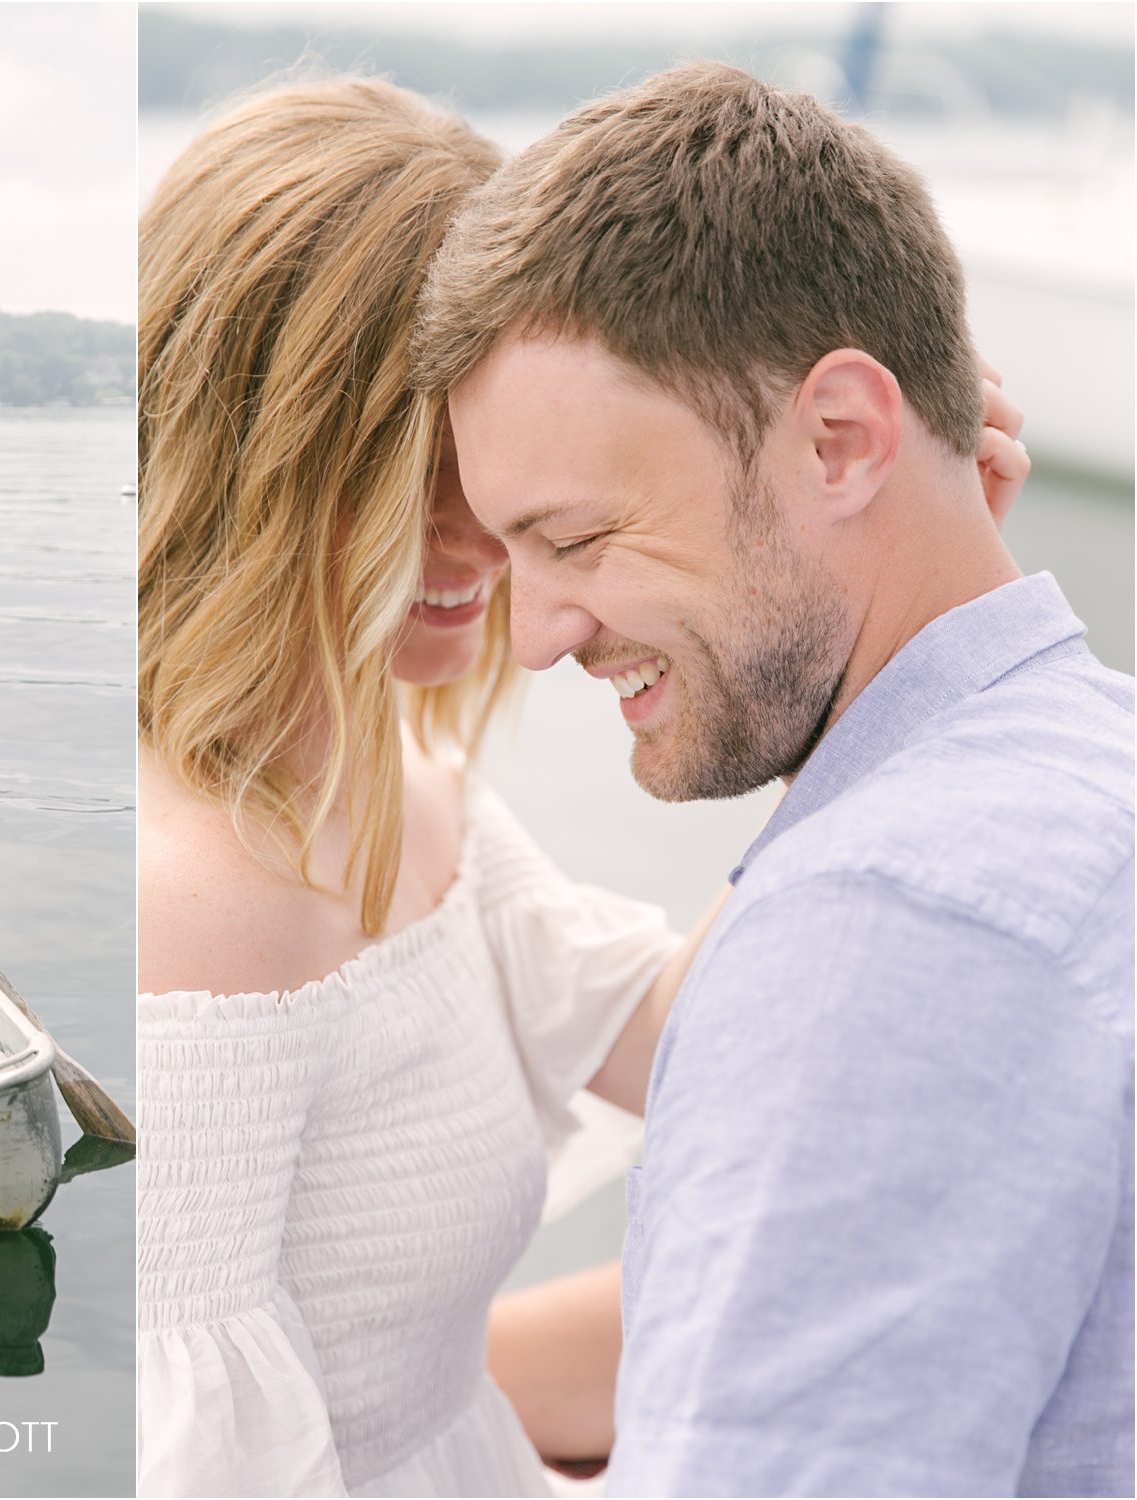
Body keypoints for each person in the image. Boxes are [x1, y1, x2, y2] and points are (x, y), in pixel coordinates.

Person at [136, 76, 1032, 1498]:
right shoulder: (198, 899)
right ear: (253, 457)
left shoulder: (402, 781)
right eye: (406, 462)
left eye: (514, 470)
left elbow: (726, 1038)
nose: (484, 534)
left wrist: (896, 582)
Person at [415, 61, 1131, 1496]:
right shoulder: (1085, 754)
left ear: (842, 439)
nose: (542, 631)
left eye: (578, 536)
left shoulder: (882, 925)